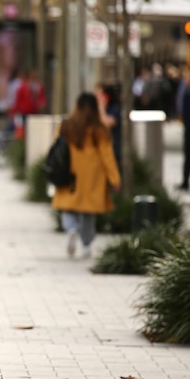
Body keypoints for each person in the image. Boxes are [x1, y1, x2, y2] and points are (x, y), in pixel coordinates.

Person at [51, 93, 121, 259]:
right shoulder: (99, 129)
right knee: (88, 213)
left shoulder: (66, 125)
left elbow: (57, 146)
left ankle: (71, 229)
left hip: (70, 172)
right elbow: (107, 156)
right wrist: (115, 178)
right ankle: (87, 246)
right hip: (93, 175)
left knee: (68, 207)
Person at [95, 82, 121, 173]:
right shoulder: (96, 110)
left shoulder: (115, 109)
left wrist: (101, 108)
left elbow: (108, 124)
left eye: (100, 95)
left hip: (113, 152)